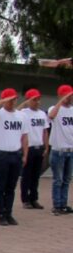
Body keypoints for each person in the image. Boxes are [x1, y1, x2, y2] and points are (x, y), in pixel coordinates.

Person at [0, 90, 28, 225]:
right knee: (0, 186)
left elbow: (24, 136)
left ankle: (8, 213)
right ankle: (1, 214)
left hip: (15, 153)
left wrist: (25, 154)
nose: (13, 102)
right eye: (10, 99)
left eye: (14, 99)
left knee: (11, 187)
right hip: (1, 154)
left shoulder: (21, 115)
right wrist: (1, 102)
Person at [19, 88, 49, 210]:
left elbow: (45, 131)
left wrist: (46, 146)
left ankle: (34, 198)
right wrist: (25, 103)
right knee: (26, 175)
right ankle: (25, 199)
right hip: (29, 147)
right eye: (34, 99)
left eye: (38, 99)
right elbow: (13, 112)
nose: (37, 102)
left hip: (39, 147)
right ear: (28, 100)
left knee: (36, 175)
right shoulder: (23, 112)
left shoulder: (42, 114)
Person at [47, 85, 73, 215]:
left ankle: (63, 204)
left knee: (67, 179)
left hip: (70, 150)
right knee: (58, 179)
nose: (70, 98)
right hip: (59, 150)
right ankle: (56, 205)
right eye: (67, 96)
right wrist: (61, 101)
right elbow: (51, 116)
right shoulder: (55, 109)